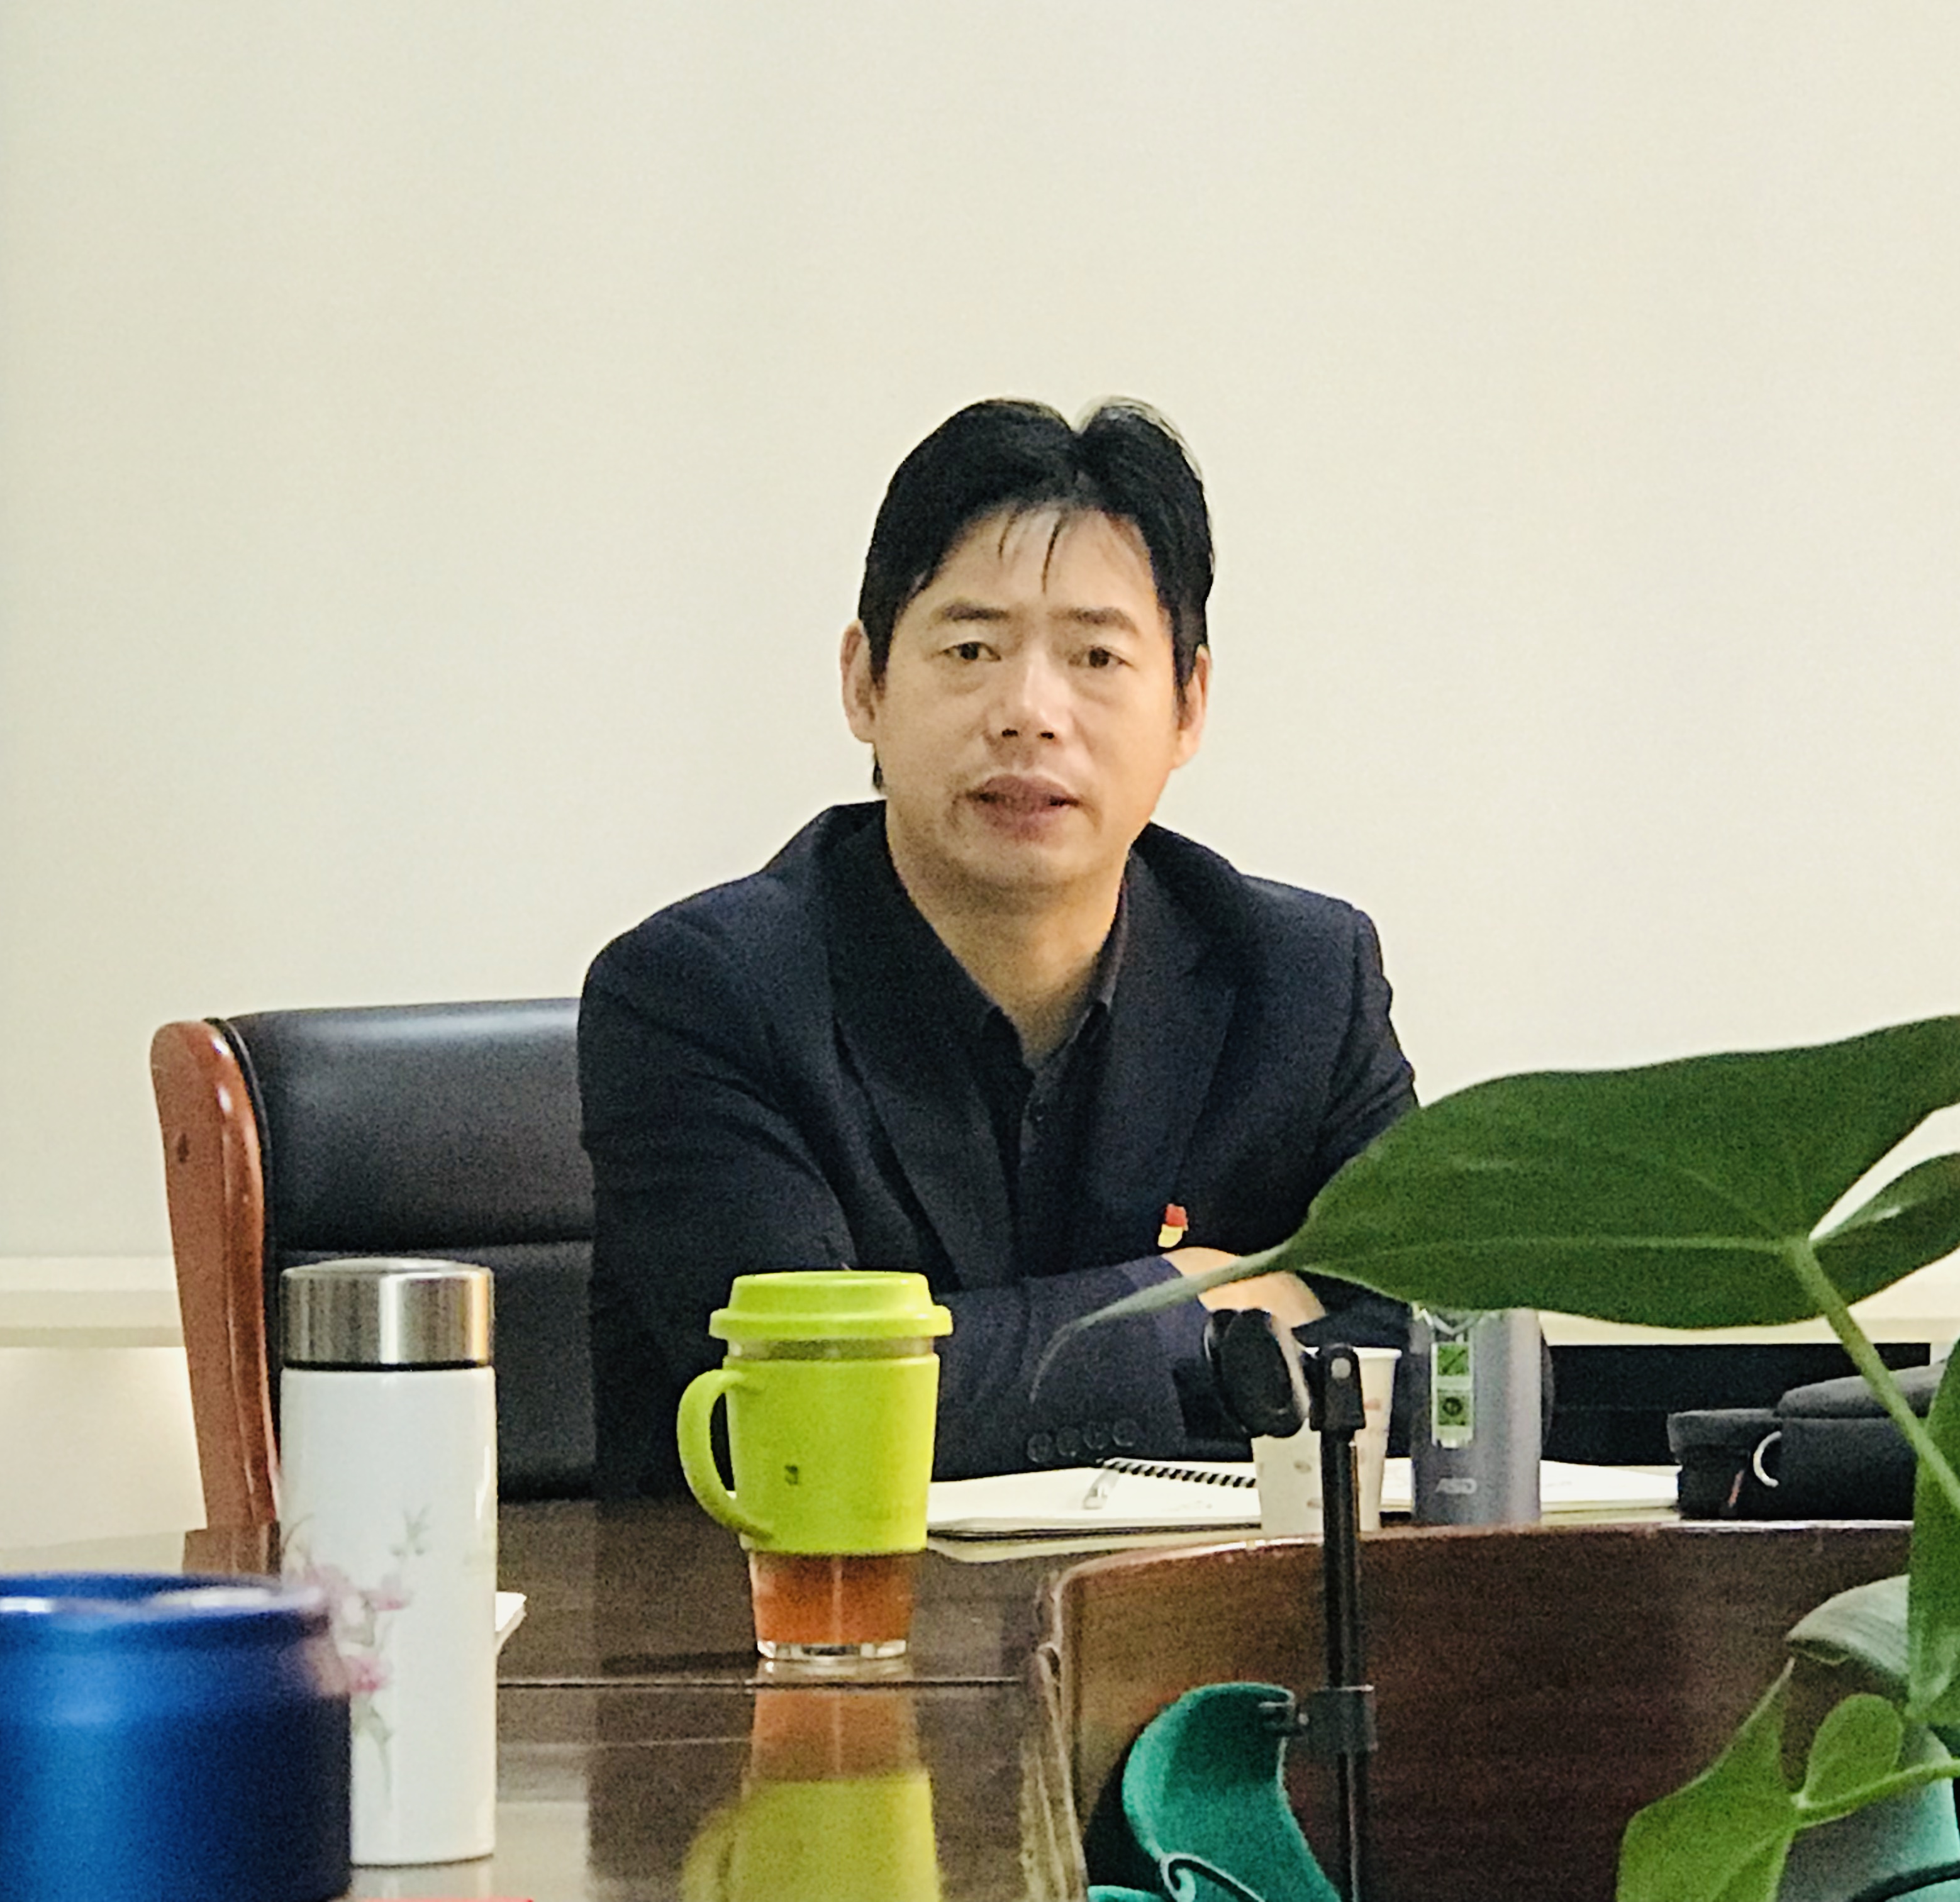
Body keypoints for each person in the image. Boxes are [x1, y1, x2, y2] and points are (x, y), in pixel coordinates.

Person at [579, 398, 1414, 1491]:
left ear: (1188, 705)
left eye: (1097, 656)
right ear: (865, 684)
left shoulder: (1302, 982)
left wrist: (971, 1366)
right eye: (971, 648)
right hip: (800, 1601)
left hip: (1200, 1604)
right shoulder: (699, 997)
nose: (1030, 711)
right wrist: (1199, 1313)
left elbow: (1447, 1374)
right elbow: (805, 1410)